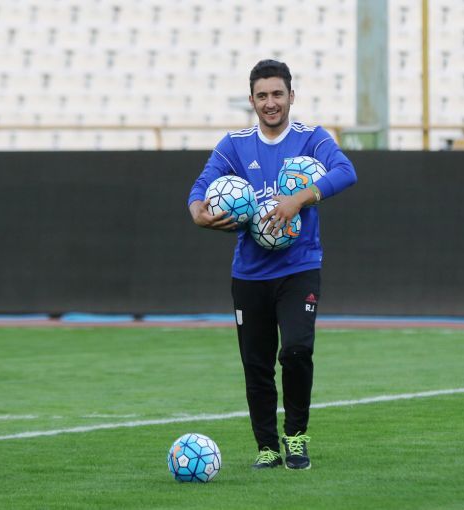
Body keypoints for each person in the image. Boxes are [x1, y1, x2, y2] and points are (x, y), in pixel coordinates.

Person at [187, 59, 357, 470]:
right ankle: (266, 447)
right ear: (252, 100)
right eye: (262, 95)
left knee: (296, 351)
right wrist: (198, 212)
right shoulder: (234, 144)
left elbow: (345, 171)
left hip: (299, 267)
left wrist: (298, 199)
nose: (270, 102)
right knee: (256, 363)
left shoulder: (311, 138)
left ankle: (295, 438)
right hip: (249, 273)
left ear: (291, 96)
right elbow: (201, 186)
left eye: (277, 94)